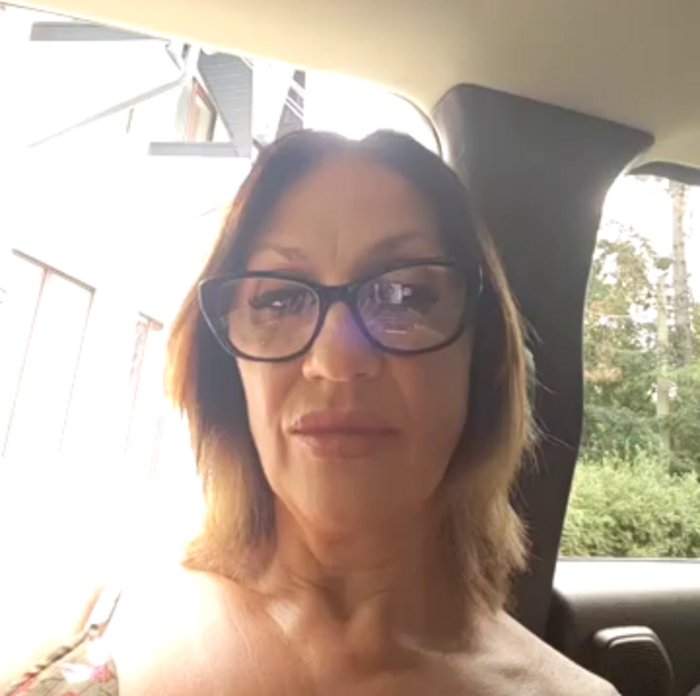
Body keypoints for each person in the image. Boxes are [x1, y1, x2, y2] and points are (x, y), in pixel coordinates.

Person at [3, 130, 617, 695]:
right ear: (227, 366)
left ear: (479, 357)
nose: (336, 359)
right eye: (277, 299)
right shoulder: (95, 615)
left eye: (403, 295)